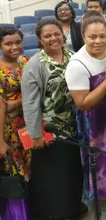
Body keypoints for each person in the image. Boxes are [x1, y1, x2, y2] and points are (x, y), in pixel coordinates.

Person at [22, 18, 86, 219]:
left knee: (73, 170)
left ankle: (74, 207)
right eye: (47, 36)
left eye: (56, 34)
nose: (53, 39)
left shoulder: (73, 56)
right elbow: (30, 102)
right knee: (54, 175)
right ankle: (57, 213)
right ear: (40, 40)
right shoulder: (35, 64)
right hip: (49, 130)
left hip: (74, 126)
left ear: (63, 34)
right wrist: (35, 134)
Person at [64, 13, 106, 220]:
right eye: (92, 37)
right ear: (83, 37)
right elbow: (83, 103)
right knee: (100, 167)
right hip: (94, 124)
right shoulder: (77, 64)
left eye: (102, 36)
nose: (98, 41)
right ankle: (103, 211)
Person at [0, 27, 31, 220]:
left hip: (29, 123)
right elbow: (2, 106)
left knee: (30, 169)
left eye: (18, 42)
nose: (14, 47)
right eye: (8, 43)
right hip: (9, 129)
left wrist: (15, 103)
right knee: (15, 172)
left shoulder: (27, 62)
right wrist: (0, 140)